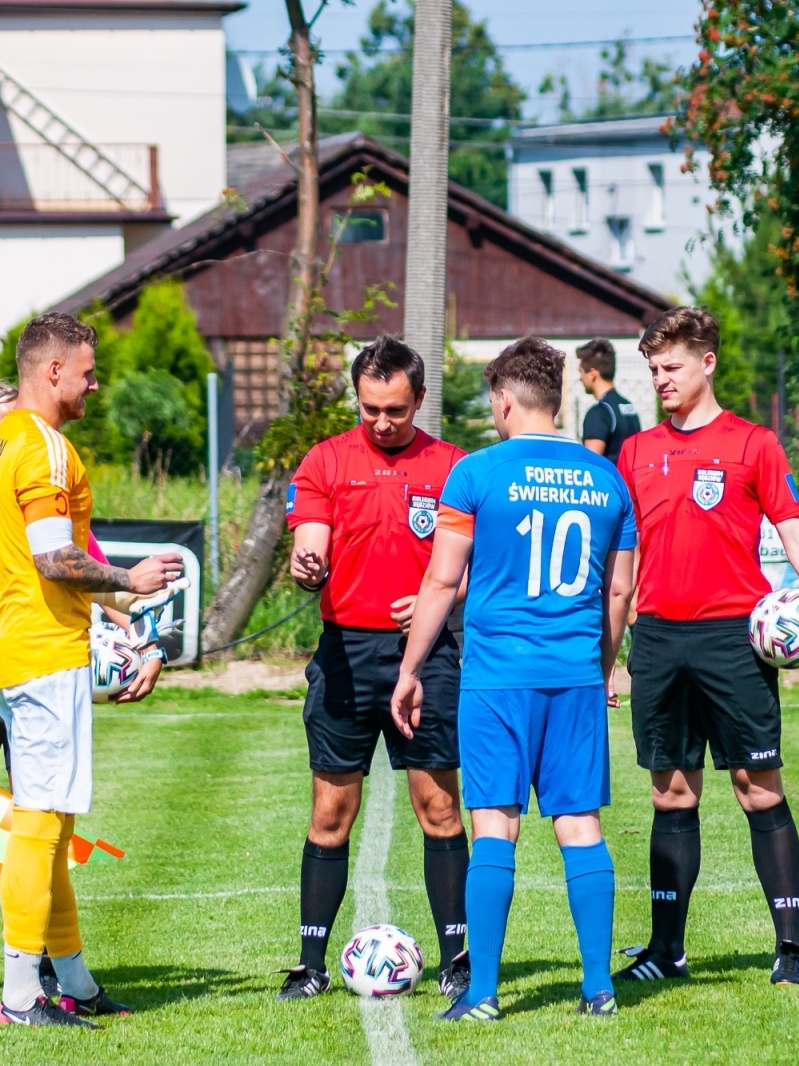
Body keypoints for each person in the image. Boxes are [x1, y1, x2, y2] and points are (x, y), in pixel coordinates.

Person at [392, 336, 636, 1022]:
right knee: (580, 824)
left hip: (496, 677)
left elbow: (442, 580)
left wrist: (410, 669)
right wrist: (602, 665)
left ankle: (484, 993)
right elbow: (619, 594)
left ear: (502, 400)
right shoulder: (609, 480)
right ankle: (598, 988)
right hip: (575, 675)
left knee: (495, 821)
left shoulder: (476, 472)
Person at [611, 307, 799, 989]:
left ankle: (790, 946)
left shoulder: (754, 445)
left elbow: (796, 531)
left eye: (672, 366)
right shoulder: (636, 451)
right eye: (653, 368)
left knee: (756, 787)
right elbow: (617, 556)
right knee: (671, 794)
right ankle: (666, 950)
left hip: (732, 642)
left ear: (707, 362)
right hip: (656, 638)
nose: (660, 379)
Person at [0, 381, 165, 1003]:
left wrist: (149, 641)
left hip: (18, 660)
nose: (13, 437)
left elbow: (93, 578)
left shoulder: (30, 482)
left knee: (46, 820)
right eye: (0, 428)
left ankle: (63, 974)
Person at [0, 312, 184, 1028]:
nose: (97, 382)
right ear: (53, 370)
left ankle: (73, 983)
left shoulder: (0, 441)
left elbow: (46, 562)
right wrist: (130, 577)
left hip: (15, 648)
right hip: (42, 652)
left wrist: (125, 601)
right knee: (38, 825)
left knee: (56, 826)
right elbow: (53, 560)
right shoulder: (44, 446)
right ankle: (19, 996)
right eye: (89, 370)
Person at [278, 335, 473, 1002]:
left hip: (427, 658)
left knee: (438, 805)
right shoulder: (327, 460)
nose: (382, 422)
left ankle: (457, 959)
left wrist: (437, 598)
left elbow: (475, 564)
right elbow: (310, 537)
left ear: (419, 399)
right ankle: (309, 965)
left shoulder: (454, 466)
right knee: (331, 811)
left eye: (395, 409)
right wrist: (308, 563)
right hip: (346, 656)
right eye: (370, 409)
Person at [576, 338, 642, 460]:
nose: (580, 378)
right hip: (629, 478)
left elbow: (592, 463)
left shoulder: (599, 413)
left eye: (580, 372)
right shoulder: (628, 407)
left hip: (611, 478)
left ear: (592, 373)